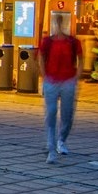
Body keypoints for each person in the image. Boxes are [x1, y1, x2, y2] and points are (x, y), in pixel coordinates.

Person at [36, 15, 82, 164]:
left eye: (61, 22)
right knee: (51, 112)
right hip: (52, 80)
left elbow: (80, 59)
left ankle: (61, 140)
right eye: (57, 22)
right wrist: (44, 75)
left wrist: (76, 76)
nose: (59, 25)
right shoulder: (47, 41)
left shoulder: (73, 42)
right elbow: (41, 57)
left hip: (68, 80)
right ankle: (51, 147)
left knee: (67, 114)